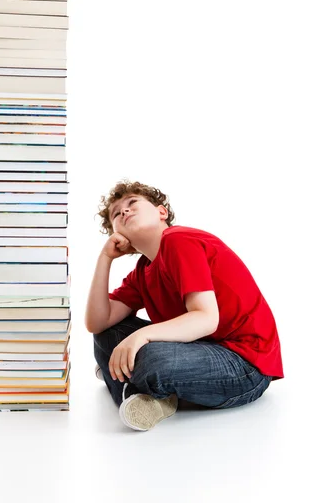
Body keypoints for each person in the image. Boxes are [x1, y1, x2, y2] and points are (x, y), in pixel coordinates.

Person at [85, 180, 284, 431]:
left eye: (133, 203)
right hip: (200, 350)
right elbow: (97, 322)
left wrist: (141, 336)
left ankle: (122, 378)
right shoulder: (142, 271)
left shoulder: (179, 240)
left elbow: (205, 318)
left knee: (151, 357)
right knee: (107, 334)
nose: (124, 211)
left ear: (161, 212)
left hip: (245, 365)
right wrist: (105, 258)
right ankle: (139, 387)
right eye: (116, 213)